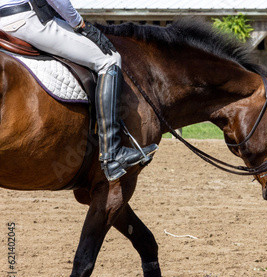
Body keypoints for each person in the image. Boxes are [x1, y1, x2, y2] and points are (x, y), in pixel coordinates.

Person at [0, 0, 158, 181]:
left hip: (3, 24)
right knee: (110, 59)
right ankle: (112, 154)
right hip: (27, 20)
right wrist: (78, 23)